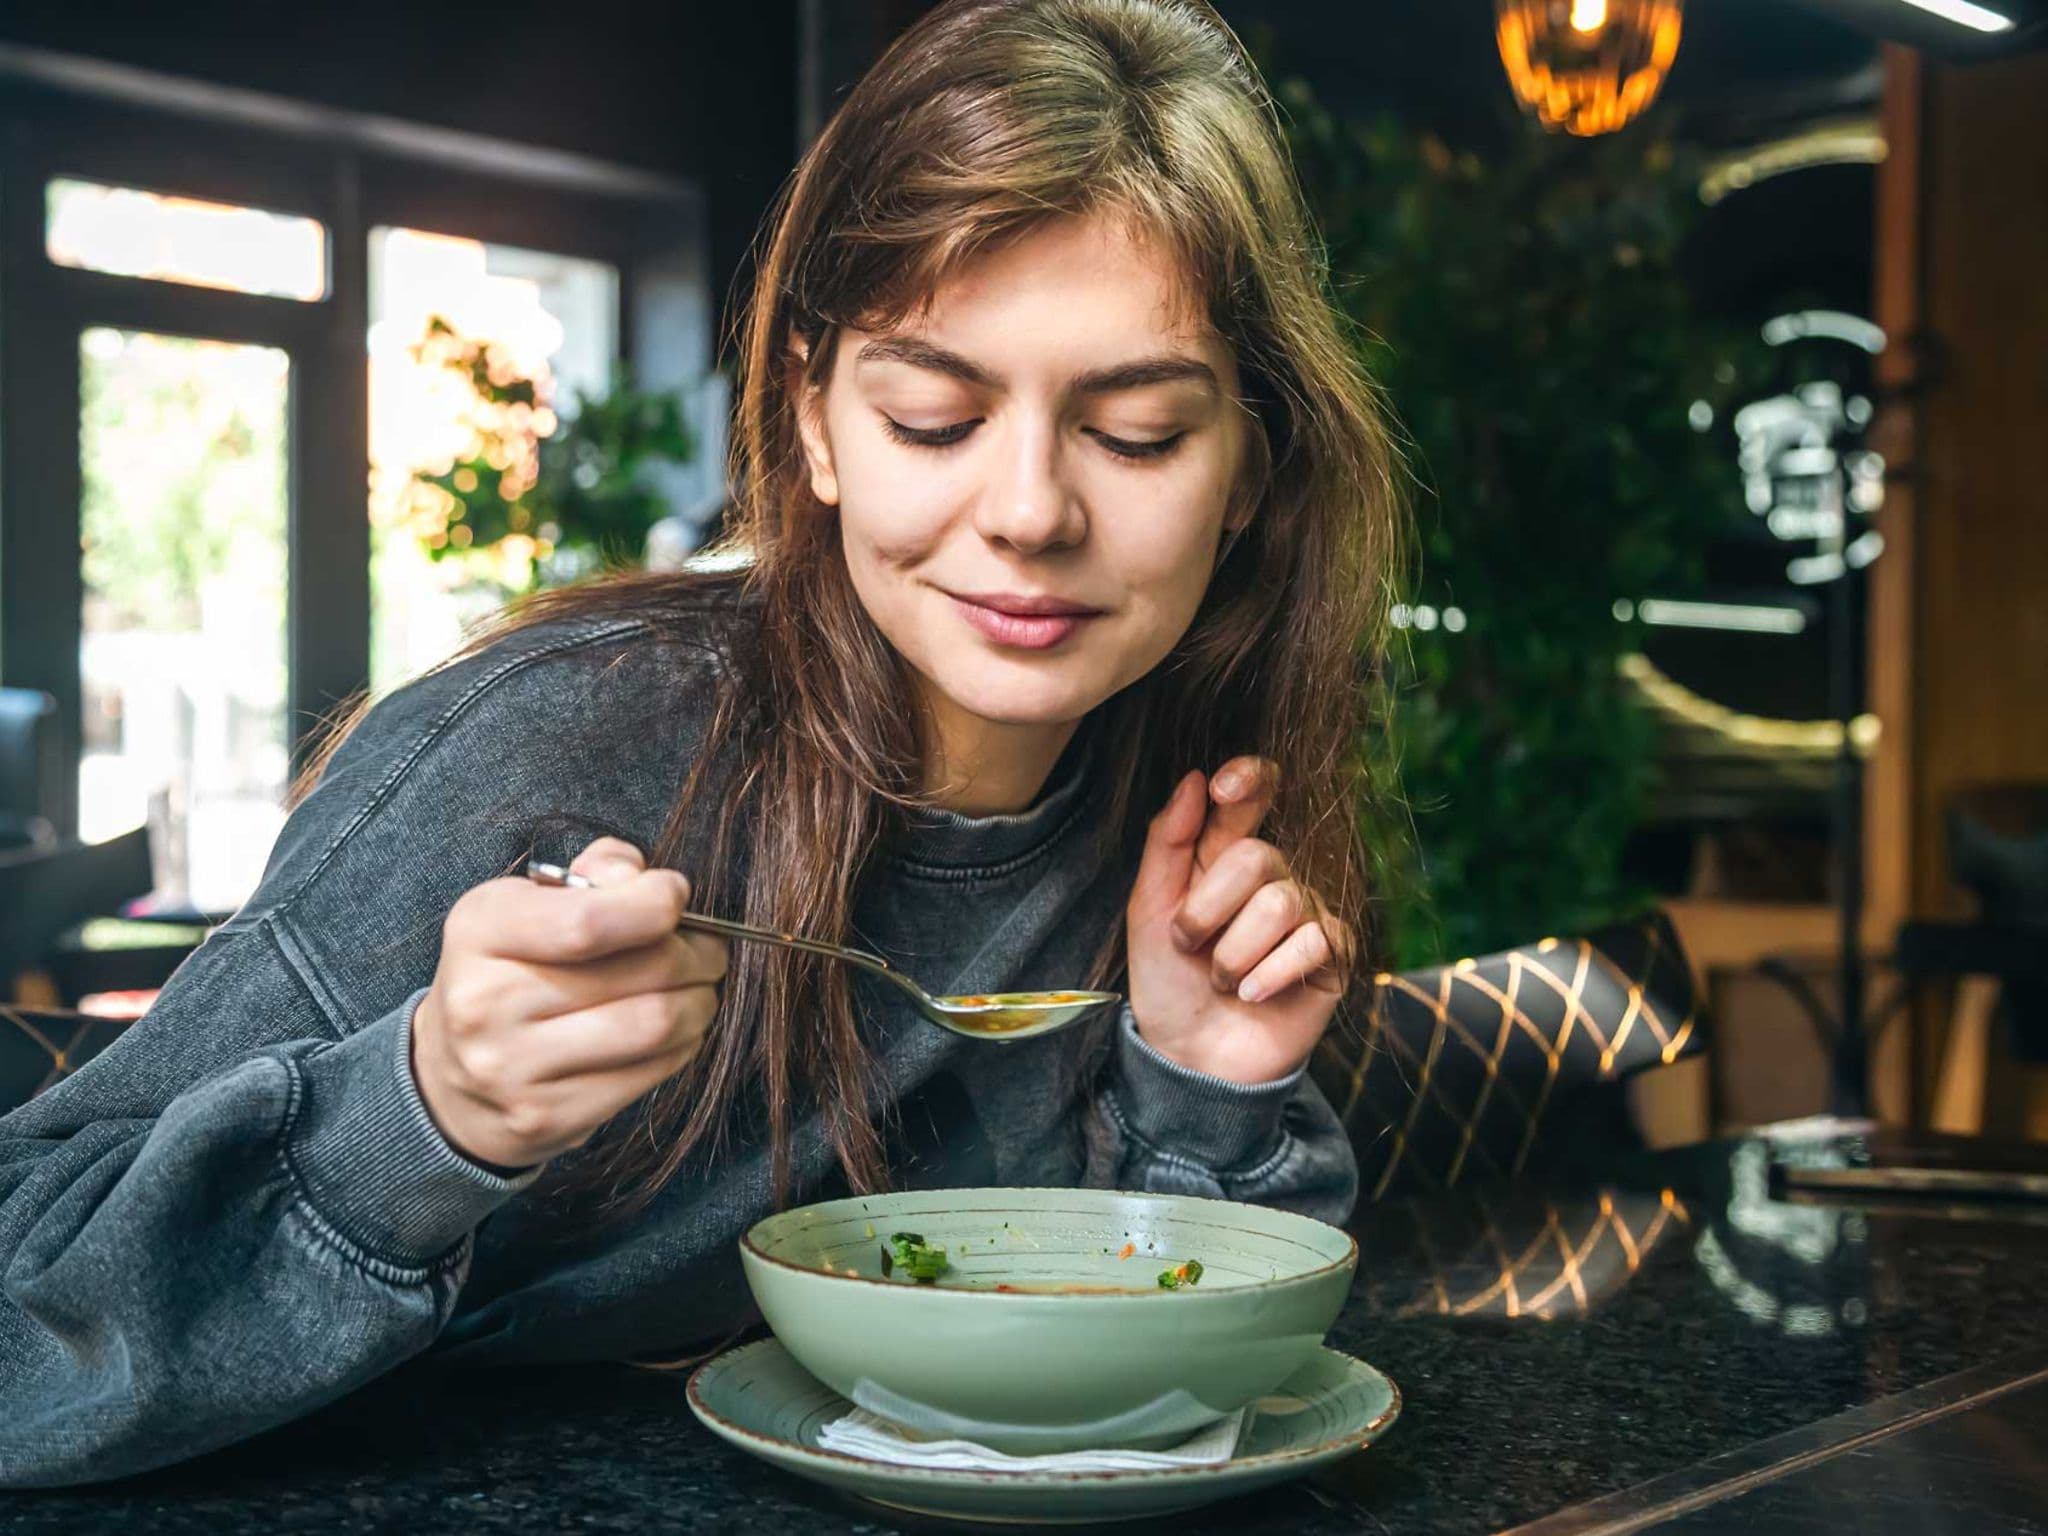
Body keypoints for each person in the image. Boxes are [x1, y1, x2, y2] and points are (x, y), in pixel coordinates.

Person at [0, 0, 1401, 1488]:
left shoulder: (1170, 799)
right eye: (934, 417)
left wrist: (1203, 1083)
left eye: (1135, 435)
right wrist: (425, 1111)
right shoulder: (542, 752)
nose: (1032, 512)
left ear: (1250, 467)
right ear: (813, 421)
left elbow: (1150, 1400)